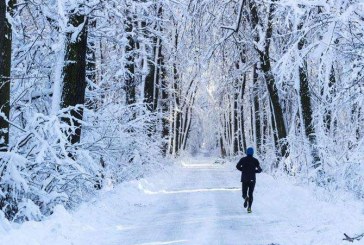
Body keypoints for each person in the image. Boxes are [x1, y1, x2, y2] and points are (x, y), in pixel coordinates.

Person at [236, 147, 262, 213]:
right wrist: (254, 171)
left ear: (246, 152)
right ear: (252, 153)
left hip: (244, 179)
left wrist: (243, 170)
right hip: (252, 179)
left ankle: (245, 198)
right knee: (251, 193)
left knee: (244, 194)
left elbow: (237, 166)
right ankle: (249, 208)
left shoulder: (243, 159)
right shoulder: (255, 160)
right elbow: (259, 170)